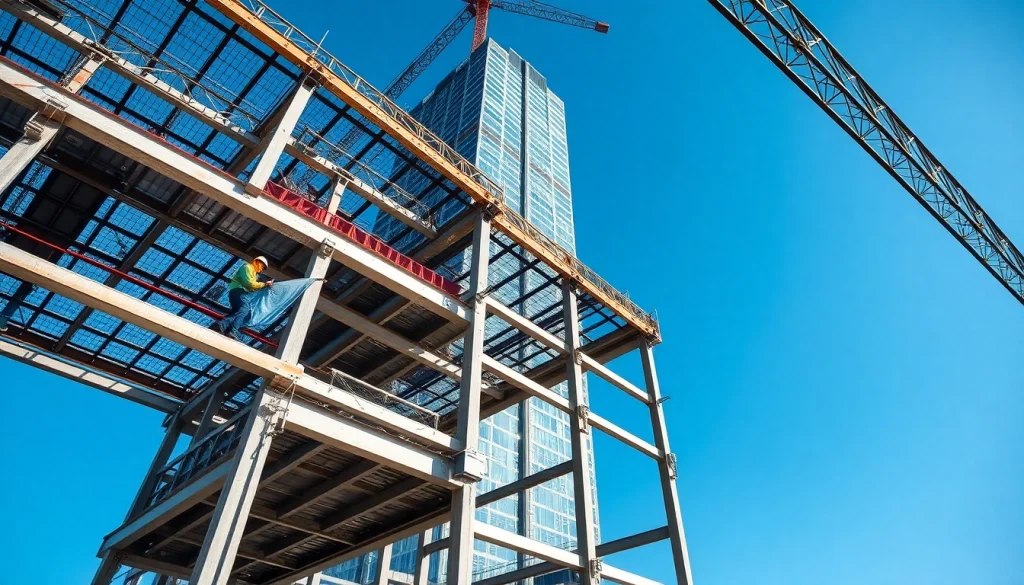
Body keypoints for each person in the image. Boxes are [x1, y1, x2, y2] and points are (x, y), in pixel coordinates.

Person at [215, 255, 273, 340]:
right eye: (262, 266)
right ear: (257, 262)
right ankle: (225, 327)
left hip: (240, 292)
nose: (261, 269)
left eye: (263, 268)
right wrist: (264, 284)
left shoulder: (253, 273)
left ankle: (225, 328)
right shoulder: (248, 267)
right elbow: (250, 284)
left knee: (239, 312)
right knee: (244, 309)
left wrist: (262, 285)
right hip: (238, 290)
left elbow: (251, 287)